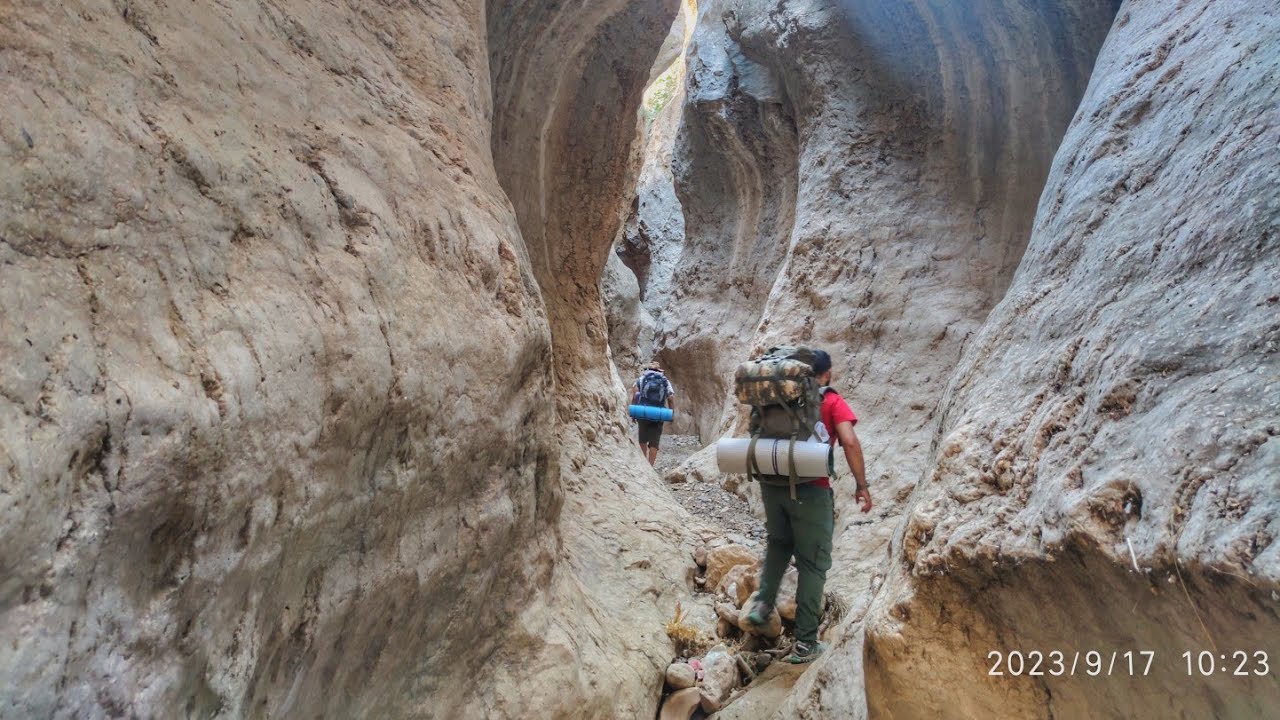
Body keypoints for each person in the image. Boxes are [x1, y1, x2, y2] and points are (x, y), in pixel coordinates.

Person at [746, 349, 870, 663]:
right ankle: (805, 643)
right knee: (813, 564)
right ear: (826, 374)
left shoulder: (774, 398)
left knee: (778, 544)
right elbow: (850, 441)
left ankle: (762, 604)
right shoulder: (829, 400)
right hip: (811, 492)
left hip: (772, 485)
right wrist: (861, 485)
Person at [632, 361, 675, 466]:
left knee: (642, 439)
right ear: (659, 370)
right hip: (658, 414)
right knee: (654, 442)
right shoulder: (665, 380)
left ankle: (644, 466)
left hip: (643, 412)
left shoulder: (641, 379)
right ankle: (650, 466)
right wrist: (671, 413)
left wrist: (634, 412)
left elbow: (635, 396)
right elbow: (671, 398)